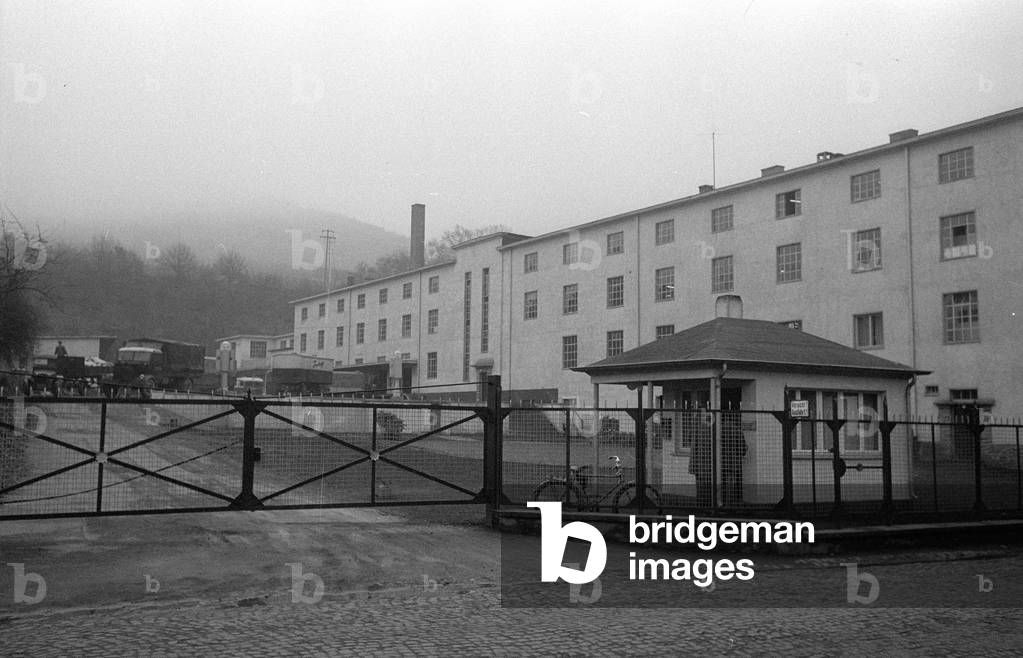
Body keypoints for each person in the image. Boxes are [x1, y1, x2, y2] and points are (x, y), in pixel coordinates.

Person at [688, 406, 714, 508]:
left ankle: (701, 504)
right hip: (705, 460)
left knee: (700, 483)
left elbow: (691, 439)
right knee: (706, 483)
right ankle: (706, 504)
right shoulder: (707, 427)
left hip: (697, 460)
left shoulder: (694, 426)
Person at [721, 411, 748, 506]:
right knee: (731, 483)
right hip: (733, 462)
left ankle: (721, 502)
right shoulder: (737, 430)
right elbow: (743, 447)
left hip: (721, 461)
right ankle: (730, 503)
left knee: (721, 482)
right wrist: (739, 454)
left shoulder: (719, 430)